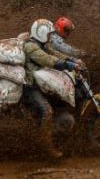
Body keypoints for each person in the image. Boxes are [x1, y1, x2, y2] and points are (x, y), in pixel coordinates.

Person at [22, 19, 80, 159]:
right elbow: (47, 59)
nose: (50, 37)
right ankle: (46, 147)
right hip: (30, 87)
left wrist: (73, 60)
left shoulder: (42, 45)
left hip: (42, 84)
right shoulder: (31, 47)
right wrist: (68, 66)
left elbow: (54, 54)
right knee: (47, 110)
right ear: (41, 33)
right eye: (48, 34)